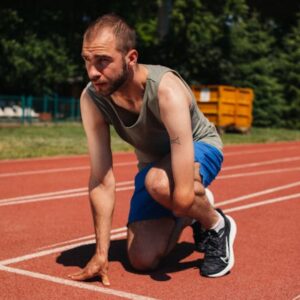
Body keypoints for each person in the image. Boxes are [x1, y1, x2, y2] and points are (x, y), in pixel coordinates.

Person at [68, 13, 237, 286]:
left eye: (103, 61)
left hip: (200, 146)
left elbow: (178, 186)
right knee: (141, 259)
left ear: (131, 58)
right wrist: (102, 253)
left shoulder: (166, 90)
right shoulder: (92, 98)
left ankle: (216, 224)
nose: (92, 72)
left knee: (166, 188)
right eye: (87, 61)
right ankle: (187, 217)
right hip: (154, 165)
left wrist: (184, 200)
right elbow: (101, 178)